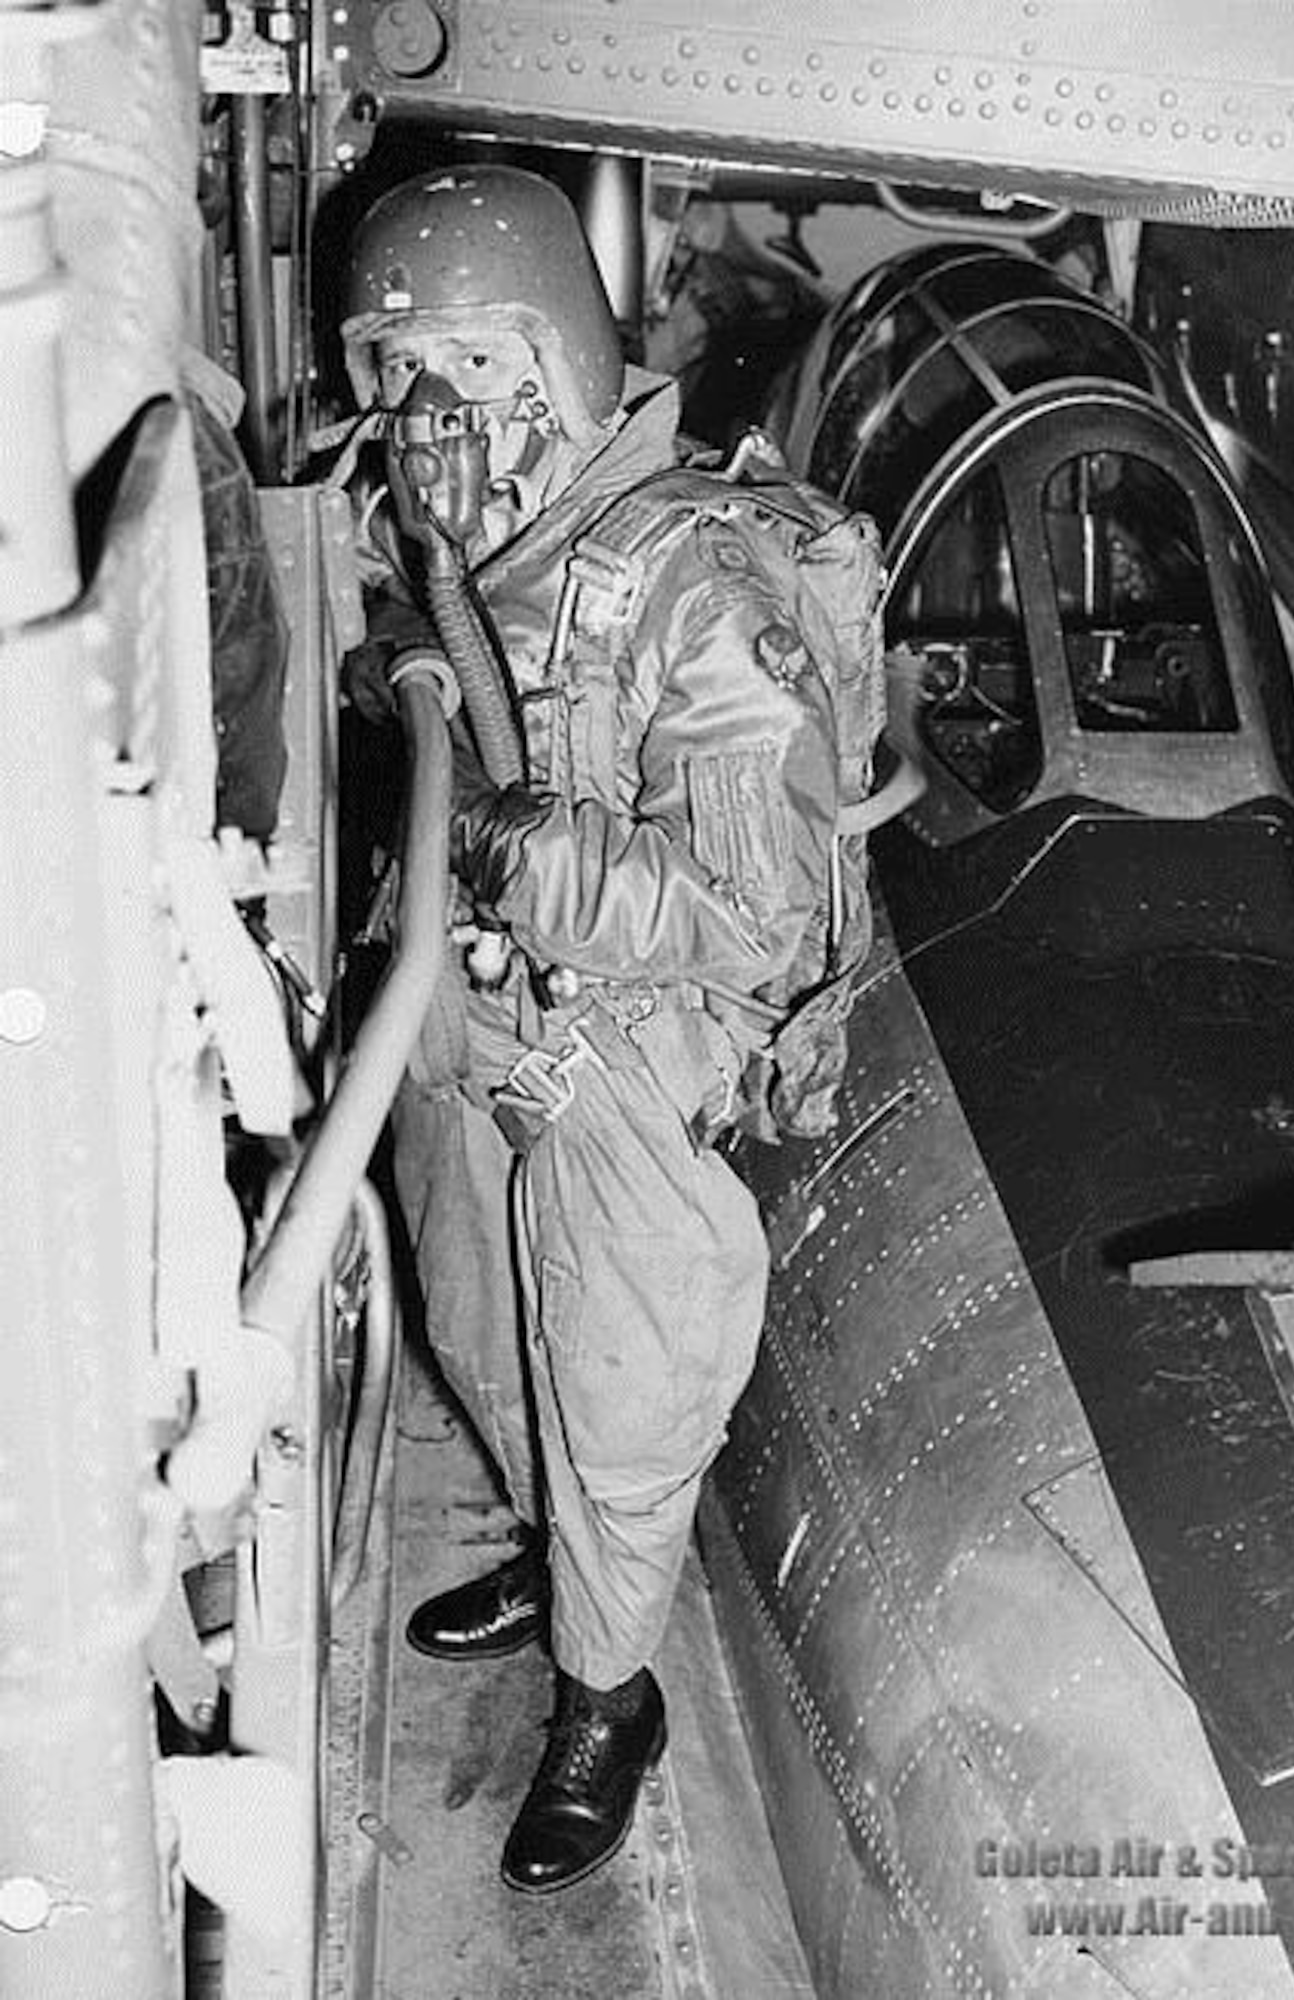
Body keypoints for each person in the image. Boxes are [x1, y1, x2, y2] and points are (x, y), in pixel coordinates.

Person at [336, 164, 844, 1895]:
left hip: (636, 1049)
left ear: (550, 362)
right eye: (388, 371)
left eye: (459, 373)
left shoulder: (695, 583)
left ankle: (606, 1693)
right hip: (474, 1006)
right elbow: (436, 667)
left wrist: (499, 844)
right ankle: (562, 1561)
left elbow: (748, 914)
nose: (417, 421)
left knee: (624, 1398)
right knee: (476, 1313)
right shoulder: (482, 552)